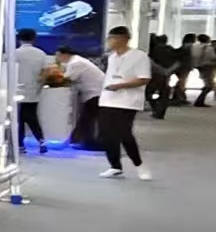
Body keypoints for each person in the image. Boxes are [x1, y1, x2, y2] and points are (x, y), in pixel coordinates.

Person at [96, 25, 153, 180]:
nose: (108, 42)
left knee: (124, 134)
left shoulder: (139, 56)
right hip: (108, 100)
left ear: (122, 39)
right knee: (106, 135)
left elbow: (144, 79)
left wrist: (120, 86)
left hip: (127, 102)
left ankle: (139, 165)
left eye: (111, 38)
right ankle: (115, 166)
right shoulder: (112, 57)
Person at [55, 45, 106, 148]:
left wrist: (53, 76)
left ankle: (91, 144)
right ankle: (80, 141)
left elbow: (67, 79)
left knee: (87, 120)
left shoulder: (75, 63)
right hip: (96, 93)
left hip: (96, 93)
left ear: (65, 55)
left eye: (58, 56)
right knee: (87, 119)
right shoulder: (77, 61)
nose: (57, 58)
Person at [12, 28, 52, 152]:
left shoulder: (15, 53)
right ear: (34, 38)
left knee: (18, 119)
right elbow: (45, 72)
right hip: (34, 91)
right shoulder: (41, 54)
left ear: (18, 38)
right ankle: (41, 141)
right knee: (32, 117)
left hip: (16, 90)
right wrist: (39, 84)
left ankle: (20, 145)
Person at [143, 33, 175, 120]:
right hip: (163, 74)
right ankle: (160, 111)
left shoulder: (153, 50)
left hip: (152, 75)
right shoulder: (170, 49)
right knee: (164, 93)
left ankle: (156, 109)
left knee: (149, 93)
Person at [192, 33, 216, 106]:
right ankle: (199, 101)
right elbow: (213, 57)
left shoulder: (195, 47)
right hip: (208, 66)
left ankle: (203, 99)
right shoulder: (209, 48)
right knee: (209, 84)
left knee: (207, 82)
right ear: (207, 40)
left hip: (198, 66)